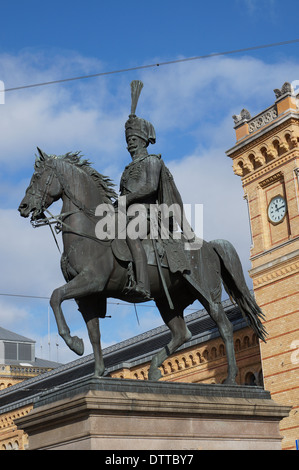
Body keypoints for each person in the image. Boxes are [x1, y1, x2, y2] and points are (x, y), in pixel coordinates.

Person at [118, 81, 192, 302]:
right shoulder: (127, 169)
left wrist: (127, 198)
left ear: (142, 140)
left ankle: (142, 284)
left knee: (131, 233)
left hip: (150, 215)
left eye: (133, 140)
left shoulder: (152, 161)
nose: (129, 145)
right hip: (129, 212)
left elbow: (150, 187)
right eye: (127, 141)